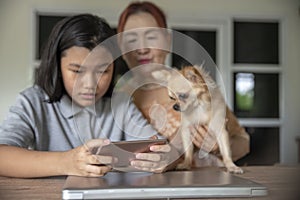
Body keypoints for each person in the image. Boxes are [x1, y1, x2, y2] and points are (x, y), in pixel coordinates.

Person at [0, 14, 179, 178]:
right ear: (58, 67)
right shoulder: (33, 102)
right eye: (77, 71)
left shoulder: (120, 104)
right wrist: (66, 163)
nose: (90, 84)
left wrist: (168, 158)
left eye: (103, 71)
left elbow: (163, 149)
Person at [117, 1, 250, 166]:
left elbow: (243, 142)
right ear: (121, 47)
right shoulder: (116, 99)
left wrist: (218, 147)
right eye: (132, 39)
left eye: (151, 37)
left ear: (167, 41)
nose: (142, 49)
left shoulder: (195, 86)